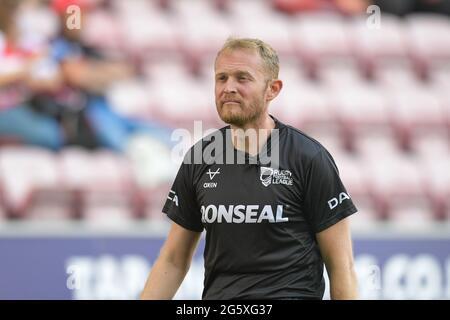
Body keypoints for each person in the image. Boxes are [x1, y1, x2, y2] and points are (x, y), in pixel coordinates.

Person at [140, 37, 359, 300]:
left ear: (273, 89)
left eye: (242, 78)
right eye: (221, 78)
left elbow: (341, 267)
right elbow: (173, 260)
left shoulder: (309, 158)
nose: (228, 88)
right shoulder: (199, 158)